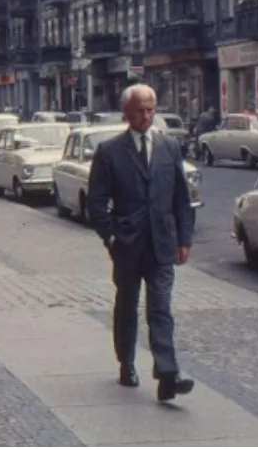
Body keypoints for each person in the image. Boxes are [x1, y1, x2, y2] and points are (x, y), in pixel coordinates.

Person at [86, 84, 196, 402]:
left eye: (151, 109)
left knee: (161, 309)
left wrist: (184, 238)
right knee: (128, 308)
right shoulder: (109, 151)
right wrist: (110, 236)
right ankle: (127, 363)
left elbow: (181, 199)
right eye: (140, 110)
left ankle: (167, 375)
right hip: (127, 245)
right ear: (126, 112)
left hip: (162, 243)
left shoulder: (169, 147)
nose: (147, 116)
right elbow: (96, 202)